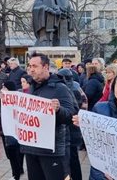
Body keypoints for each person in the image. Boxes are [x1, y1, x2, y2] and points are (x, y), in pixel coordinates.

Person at [25, 52, 78, 180]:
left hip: (52, 151)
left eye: (35, 66)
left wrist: (59, 110)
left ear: (46, 67)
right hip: (32, 148)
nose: (31, 69)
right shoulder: (31, 87)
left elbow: (72, 113)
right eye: (29, 66)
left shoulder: (60, 88)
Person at [73, 74, 117, 180]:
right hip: (100, 170)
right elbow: (92, 141)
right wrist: (84, 125)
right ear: (113, 87)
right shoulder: (100, 107)